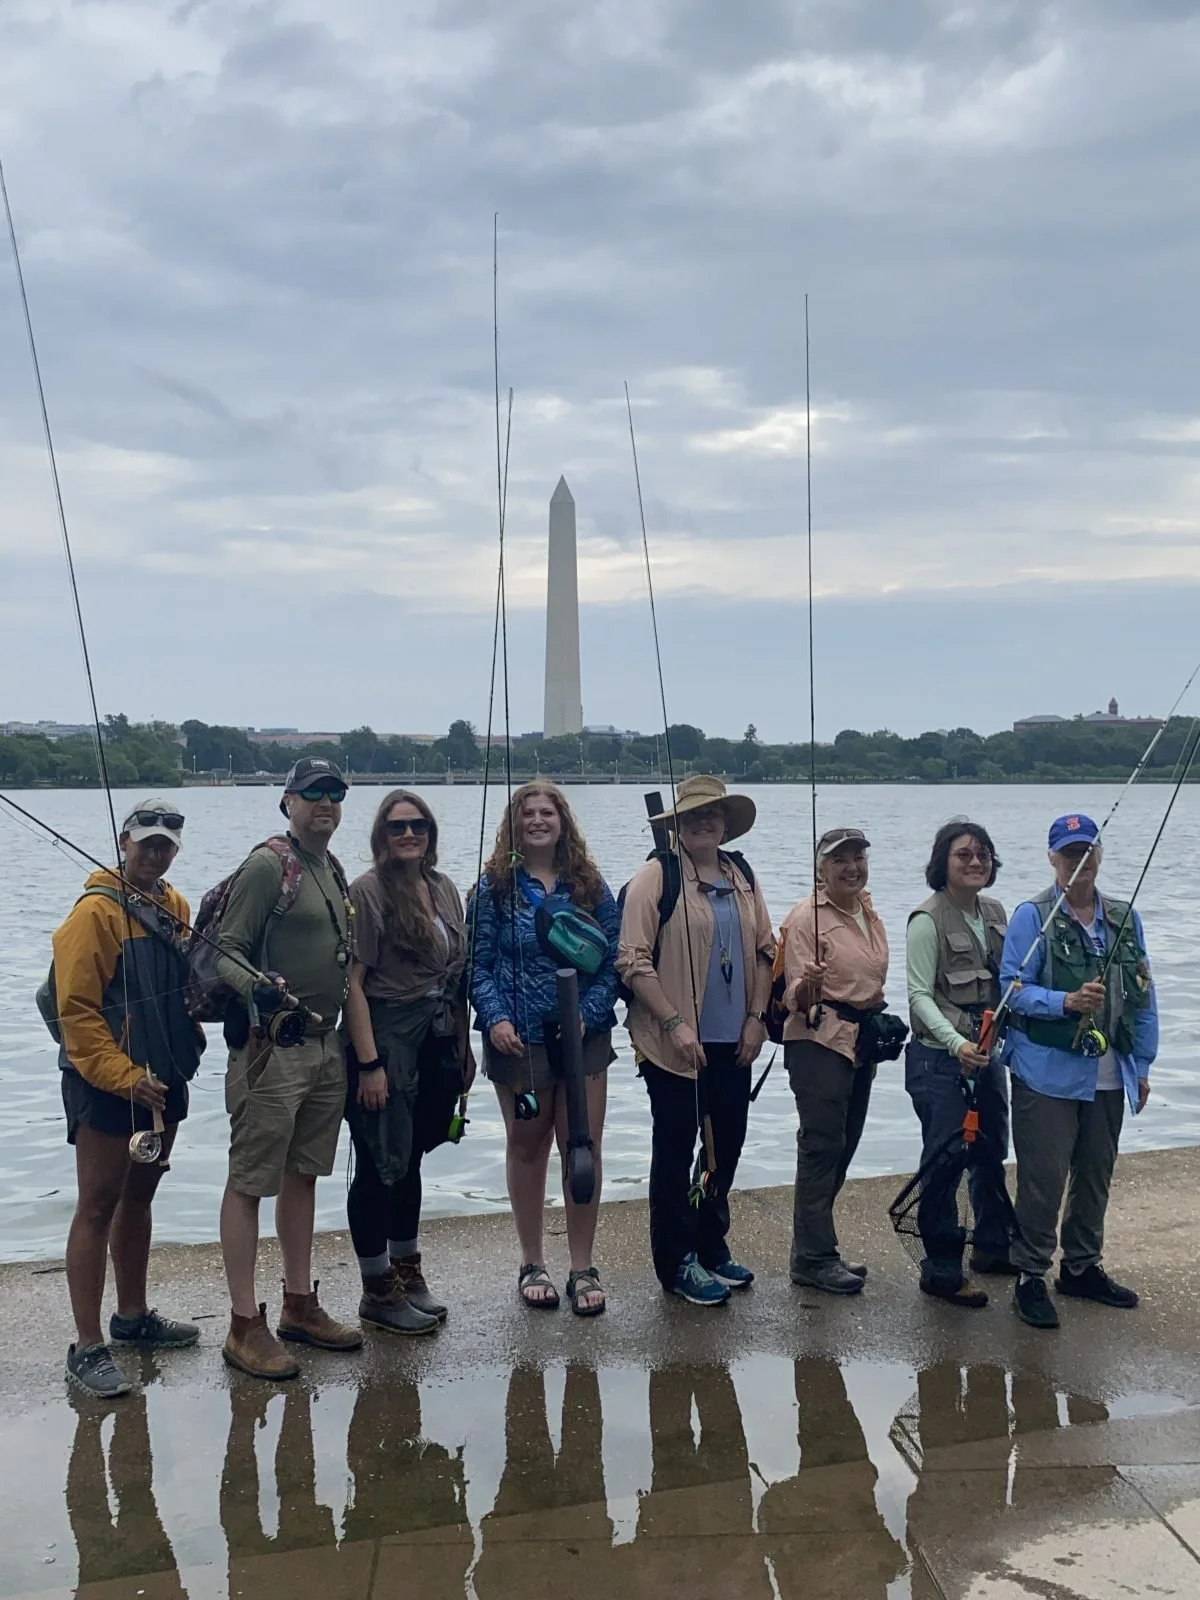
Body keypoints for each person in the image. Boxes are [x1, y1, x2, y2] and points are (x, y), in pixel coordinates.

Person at [215, 758, 363, 1379]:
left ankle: (299, 1303)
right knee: (251, 1179)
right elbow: (225, 951)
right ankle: (244, 1324)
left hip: (325, 1048)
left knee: (304, 1175)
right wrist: (259, 988)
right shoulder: (267, 865)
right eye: (312, 794)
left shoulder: (331, 867)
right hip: (270, 1048)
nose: (325, 803)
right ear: (287, 801)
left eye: (335, 794)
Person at [53, 798, 202, 1399]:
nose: (156, 851)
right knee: (96, 1205)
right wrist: (122, 1075)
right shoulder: (93, 914)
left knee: (139, 1196)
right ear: (124, 840)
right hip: (107, 1087)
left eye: (167, 842)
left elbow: (189, 988)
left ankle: (133, 1318)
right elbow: (76, 1013)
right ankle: (87, 1347)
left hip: (165, 1084)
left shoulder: (176, 907)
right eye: (147, 840)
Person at [617, 775, 774, 1307]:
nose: (704, 822)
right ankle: (676, 1259)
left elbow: (763, 950)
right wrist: (673, 1024)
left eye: (714, 814)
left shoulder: (742, 873)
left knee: (723, 1146)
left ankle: (711, 1242)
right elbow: (633, 961)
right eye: (693, 815)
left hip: (736, 1040)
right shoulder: (654, 877)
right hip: (673, 1046)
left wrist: (758, 1018)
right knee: (677, 1145)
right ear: (677, 824)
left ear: (726, 823)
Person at [1000, 813, 1157, 1330]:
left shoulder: (1124, 917)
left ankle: (1082, 1267)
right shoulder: (1032, 915)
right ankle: (1029, 1276)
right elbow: (1011, 991)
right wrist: (1064, 1001)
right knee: (1043, 1180)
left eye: (1087, 853)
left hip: (1111, 1074)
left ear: (1100, 856)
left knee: (1095, 1176)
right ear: (1052, 858)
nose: (1079, 863)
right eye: (1069, 854)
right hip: (1046, 1074)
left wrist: (1144, 1065)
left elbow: (1144, 996)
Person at [470, 782, 620, 1315]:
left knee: (582, 1146)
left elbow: (612, 962)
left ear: (563, 822)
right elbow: (478, 965)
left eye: (547, 812)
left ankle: (582, 1265)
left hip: (584, 1041)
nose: (537, 820)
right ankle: (532, 1261)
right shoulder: (492, 889)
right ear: (514, 824)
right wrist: (495, 1018)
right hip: (520, 1045)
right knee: (528, 1146)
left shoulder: (590, 885)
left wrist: (590, 1013)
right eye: (527, 813)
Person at [342, 789, 475, 1335]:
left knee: (413, 1158)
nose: (409, 835)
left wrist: (463, 1046)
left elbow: (458, 977)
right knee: (379, 1162)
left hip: (437, 1040)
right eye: (397, 827)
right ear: (381, 835)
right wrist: (370, 1065)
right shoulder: (367, 893)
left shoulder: (443, 889)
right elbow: (352, 982)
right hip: (385, 1042)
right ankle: (376, 1288)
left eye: (418, 826)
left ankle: (407, 1271)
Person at [904, 819, 1013, 1307]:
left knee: (992, 1151)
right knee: (945, 1161)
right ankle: (942, 1268)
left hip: (988, 1057)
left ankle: (992, 1248)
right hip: (940, 1061)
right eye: (964, 855)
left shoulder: (995, 912)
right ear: (942, 863)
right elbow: (919, 995)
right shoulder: (927, 919)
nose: (975, 862)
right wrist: (955, 1044)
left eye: (983, 854)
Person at [780, 826, 889, 1295]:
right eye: (840, 859)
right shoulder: (807, 917)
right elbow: (794, 999)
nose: (852, 867)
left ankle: (819, 1244)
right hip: (818, 1041)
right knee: (821, 1146)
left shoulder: (867, 908)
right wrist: (808, 982)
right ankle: (813, 1258)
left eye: (858, 857)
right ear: (819, 869)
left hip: (861, 1041)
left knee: (846, 1143)